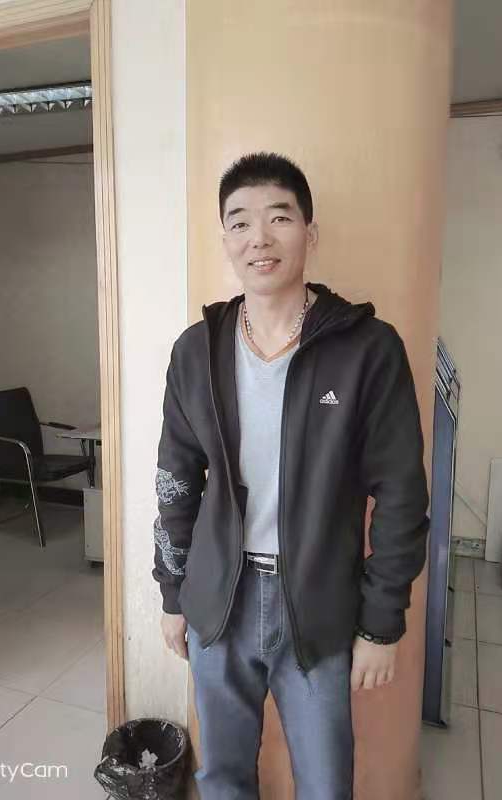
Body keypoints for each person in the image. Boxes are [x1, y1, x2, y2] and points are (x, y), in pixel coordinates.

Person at [152, 152, 429, 799]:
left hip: (319, 601)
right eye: (240, 222)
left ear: (310, 231)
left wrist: (380, 623)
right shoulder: (197, 350)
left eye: (279, 217)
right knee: (221, 775)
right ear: (225, 238)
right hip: (219, 598)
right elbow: (175, 482)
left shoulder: (367, 348)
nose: (259, 238)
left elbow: (401, 493)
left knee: (326, 782)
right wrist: (172, 593)